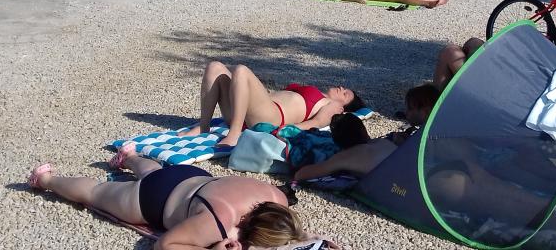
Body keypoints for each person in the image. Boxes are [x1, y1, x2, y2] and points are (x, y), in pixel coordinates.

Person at [27, 159, 311, 250]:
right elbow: (166, 245)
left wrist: (306, 238)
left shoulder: (277, 197)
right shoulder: (219, 222)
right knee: (96, 192)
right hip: (155, 198)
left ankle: (129, 157)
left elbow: (290, 231)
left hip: (190, 175)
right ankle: (45, 179)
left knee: (153, 171)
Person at [178, 61, 364, 150]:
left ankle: (234, 134)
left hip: (271, 117)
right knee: (215, 67)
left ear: (343, 107)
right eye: (344, 88)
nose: (341, 88)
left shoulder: (333, 107)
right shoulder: (319, 94)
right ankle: (204, 126)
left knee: (242, 70)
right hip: (251, 110)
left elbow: (315, 124)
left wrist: (284, 130)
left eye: (345, 94)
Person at [293, 85, 439, 182]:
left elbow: (301, 174)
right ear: (364, 131)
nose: (406, 113)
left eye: (410, 109)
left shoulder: (346, 157)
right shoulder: (383, 143)